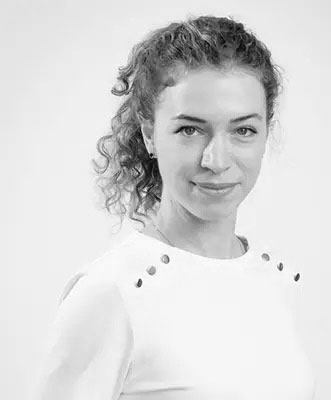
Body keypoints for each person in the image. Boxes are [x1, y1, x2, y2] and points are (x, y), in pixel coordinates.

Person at [33, 14, 316, 400]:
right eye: (190, 130)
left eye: (243, 130)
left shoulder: (277, 282)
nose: (217, 160)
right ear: (150, 134)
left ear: (266, 132)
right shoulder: (113, 292)